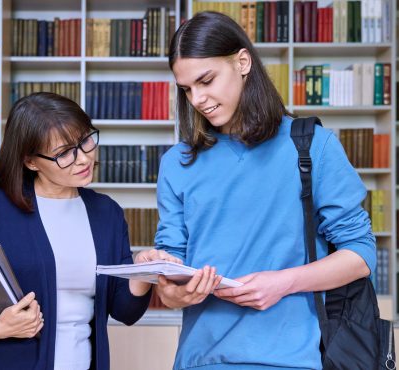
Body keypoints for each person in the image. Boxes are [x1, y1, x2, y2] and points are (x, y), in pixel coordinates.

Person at [143, 11, 377, 370]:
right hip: (200, 360)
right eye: (187, 89)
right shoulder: (178, 162)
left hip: (294, 361)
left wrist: (282, 283)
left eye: (206, 80)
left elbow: (360, 256)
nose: (198, 99)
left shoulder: (312, 146)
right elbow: (173, 272)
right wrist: (173, 291)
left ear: (242, 61)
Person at [0, 92, 155, 370]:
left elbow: (124, 311)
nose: (83, 159)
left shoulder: (107, 213)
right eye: (63, 154)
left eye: (85, 141)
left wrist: (143, 273)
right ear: (31, 162)